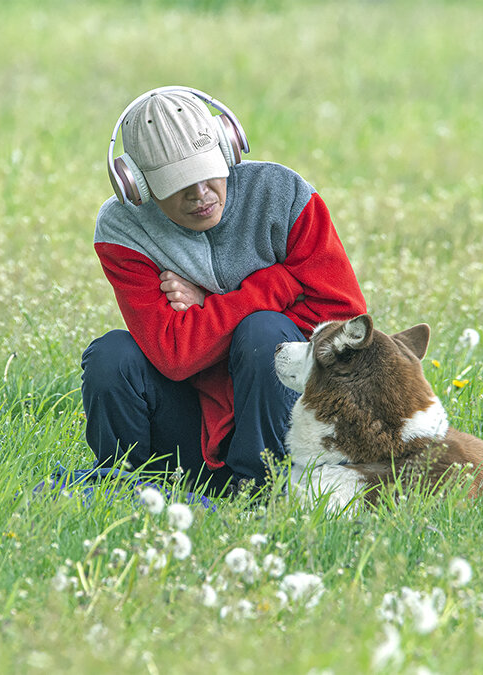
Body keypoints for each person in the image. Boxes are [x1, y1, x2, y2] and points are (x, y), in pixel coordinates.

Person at [81, 86, 367, 494]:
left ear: (228, 146)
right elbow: (175, 355)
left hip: (292, 429)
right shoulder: (122, 230)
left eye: (205, 173)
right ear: (137, 186)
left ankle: (262, 494)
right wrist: (282, 281)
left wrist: (210, 306)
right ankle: (127, 490)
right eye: (177, 184)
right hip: (189, 431)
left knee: (264, 333)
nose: (200, 194)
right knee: (111, 356)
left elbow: (345, 325)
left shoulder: (284, 195)